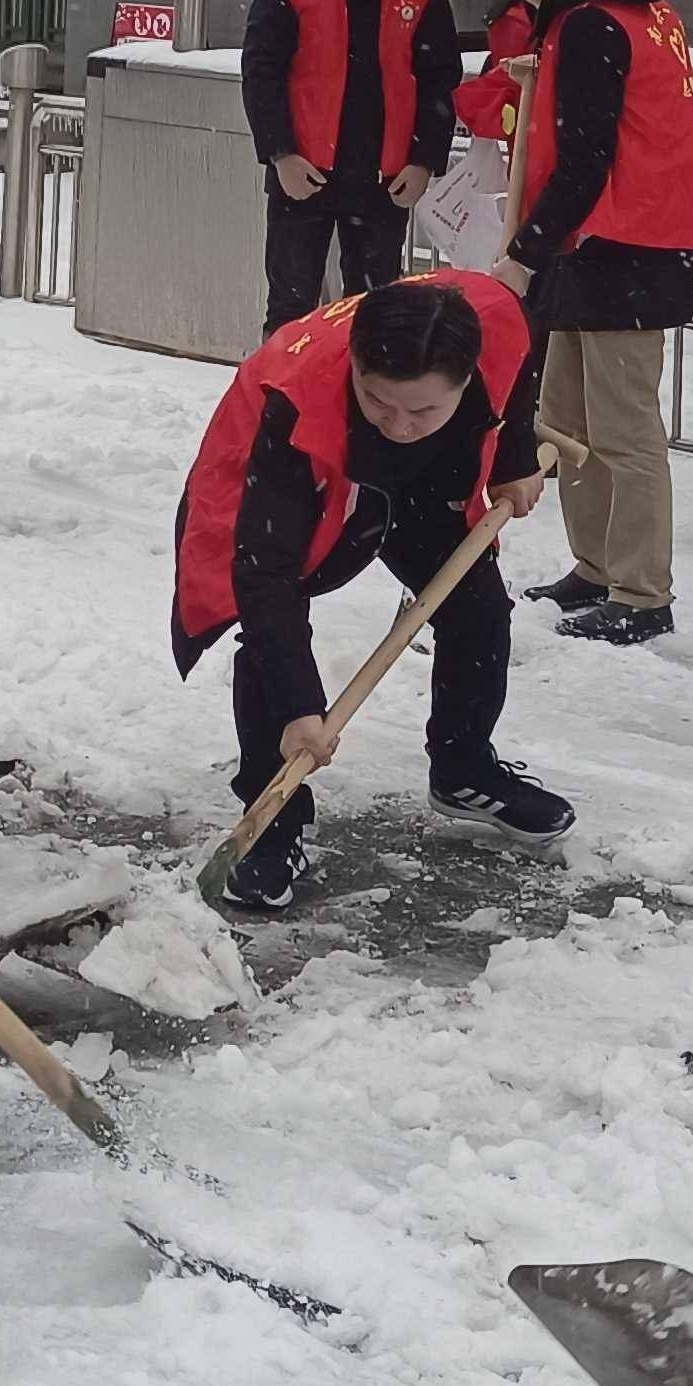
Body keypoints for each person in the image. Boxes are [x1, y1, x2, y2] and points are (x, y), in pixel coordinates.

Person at [172, 274, 568, 914]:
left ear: (466, 375)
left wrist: (513, 456)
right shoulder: (295, 403)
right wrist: (301, 708)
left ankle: (463, 767)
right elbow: (267, 576)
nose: (402, 425)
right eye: (380, 402)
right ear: (355, 364)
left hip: (428, 481)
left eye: (423, 410)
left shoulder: (498, 320)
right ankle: (272, 814)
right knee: (269, 638)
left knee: (477, 607)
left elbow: (518, 369)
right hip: (317, 474)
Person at [490, 0, 693, 645]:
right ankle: (596, 565)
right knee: (568, 417)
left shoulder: (589, 22)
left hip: (624, 243)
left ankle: (642, 592)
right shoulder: (641, 11)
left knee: (623, 427)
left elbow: (587, 158)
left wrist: (523, 252)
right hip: (608, 241)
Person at [237, 0, 460, 330]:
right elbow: (262, 68)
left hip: (384, 178)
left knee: (373, 312)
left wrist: (424, 160)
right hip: (304, 170)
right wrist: (280, 153)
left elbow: (440, 74)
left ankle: (361, 382)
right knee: (291, 309)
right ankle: (287, 380)